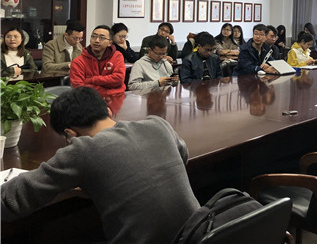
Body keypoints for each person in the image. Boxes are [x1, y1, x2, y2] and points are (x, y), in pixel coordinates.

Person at [1, 87, 200, 243]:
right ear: (108, 112)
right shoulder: (158, 124)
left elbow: (13, 200)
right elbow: (182, 156)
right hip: (198, 234)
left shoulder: (82, 151)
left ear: (70, 134)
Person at [70, 25, 126, 99]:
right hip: (88, 100)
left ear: (110, 43)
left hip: (115, 99)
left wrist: (92, 80)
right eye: (93, 36)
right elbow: (79, 88)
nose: (96, 40)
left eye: (102, 38)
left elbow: (118, 79)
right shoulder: (78, 62)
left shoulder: (117, 56)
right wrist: (109, 90)